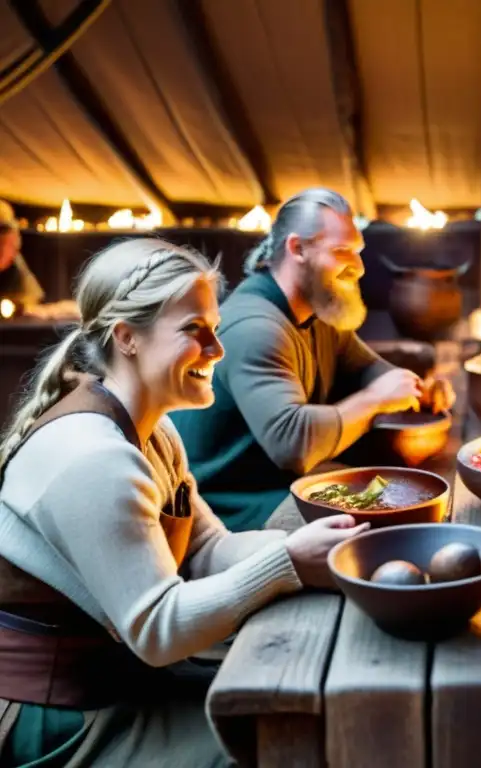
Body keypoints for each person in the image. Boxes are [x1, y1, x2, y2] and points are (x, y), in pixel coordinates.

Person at [0, 239, 370, 767]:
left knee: (301, 707)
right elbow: (157, 627)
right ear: (127, 337)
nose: (217, 349)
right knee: (281, 745)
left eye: (215, 328)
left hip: (123, 677)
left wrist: (325, 544)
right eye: (194, 331)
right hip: (59, 715)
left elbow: (207, 548)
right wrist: (288, 563)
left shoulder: (156, 432)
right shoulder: (92, 456)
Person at [170, 188, 455, 533]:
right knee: (381, 529)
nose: (359, 268)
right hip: (230, 504)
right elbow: (294, 443)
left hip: (284, 483)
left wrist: (415, 389)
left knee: (415, 501)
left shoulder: (317, 311)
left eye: (358, 252)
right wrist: (375, 400)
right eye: (341, 252)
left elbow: (365, 367)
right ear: (297, 249)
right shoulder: (256, 328)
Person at [0, 221, 45, 311]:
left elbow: (35, 296)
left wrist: (19, 304)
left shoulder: (16, 262)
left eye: (12, 246)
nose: (10, 250)